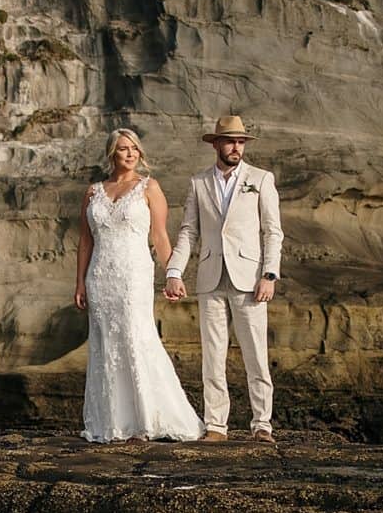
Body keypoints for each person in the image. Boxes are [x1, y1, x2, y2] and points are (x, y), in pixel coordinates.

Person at [75, 128, 203, 442]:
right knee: (106, 344)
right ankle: (113, 423)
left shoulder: (149, 187)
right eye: (123, 149)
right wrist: (79, 283)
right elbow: (84, 241)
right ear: (111, 154)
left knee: (134, 337)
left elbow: (160, 236)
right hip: (100, 277)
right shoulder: (94, 191)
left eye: (134, 148)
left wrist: (173, 274)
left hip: (133, 275)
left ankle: (145, 421)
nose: (130, 154)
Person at [163, 114, 283, 441]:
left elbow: (273, 232)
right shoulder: (199, 183)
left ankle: (262, 425)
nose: (236, 147)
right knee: (212, 355)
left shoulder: (261, 179)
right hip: (210, 277)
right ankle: (216, 425)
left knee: (255, 355)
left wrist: (269, 275)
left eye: (241, 141)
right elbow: (188, 231)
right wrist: (175, 271)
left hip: (250, 279)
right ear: (216, 144)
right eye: (230, 141)